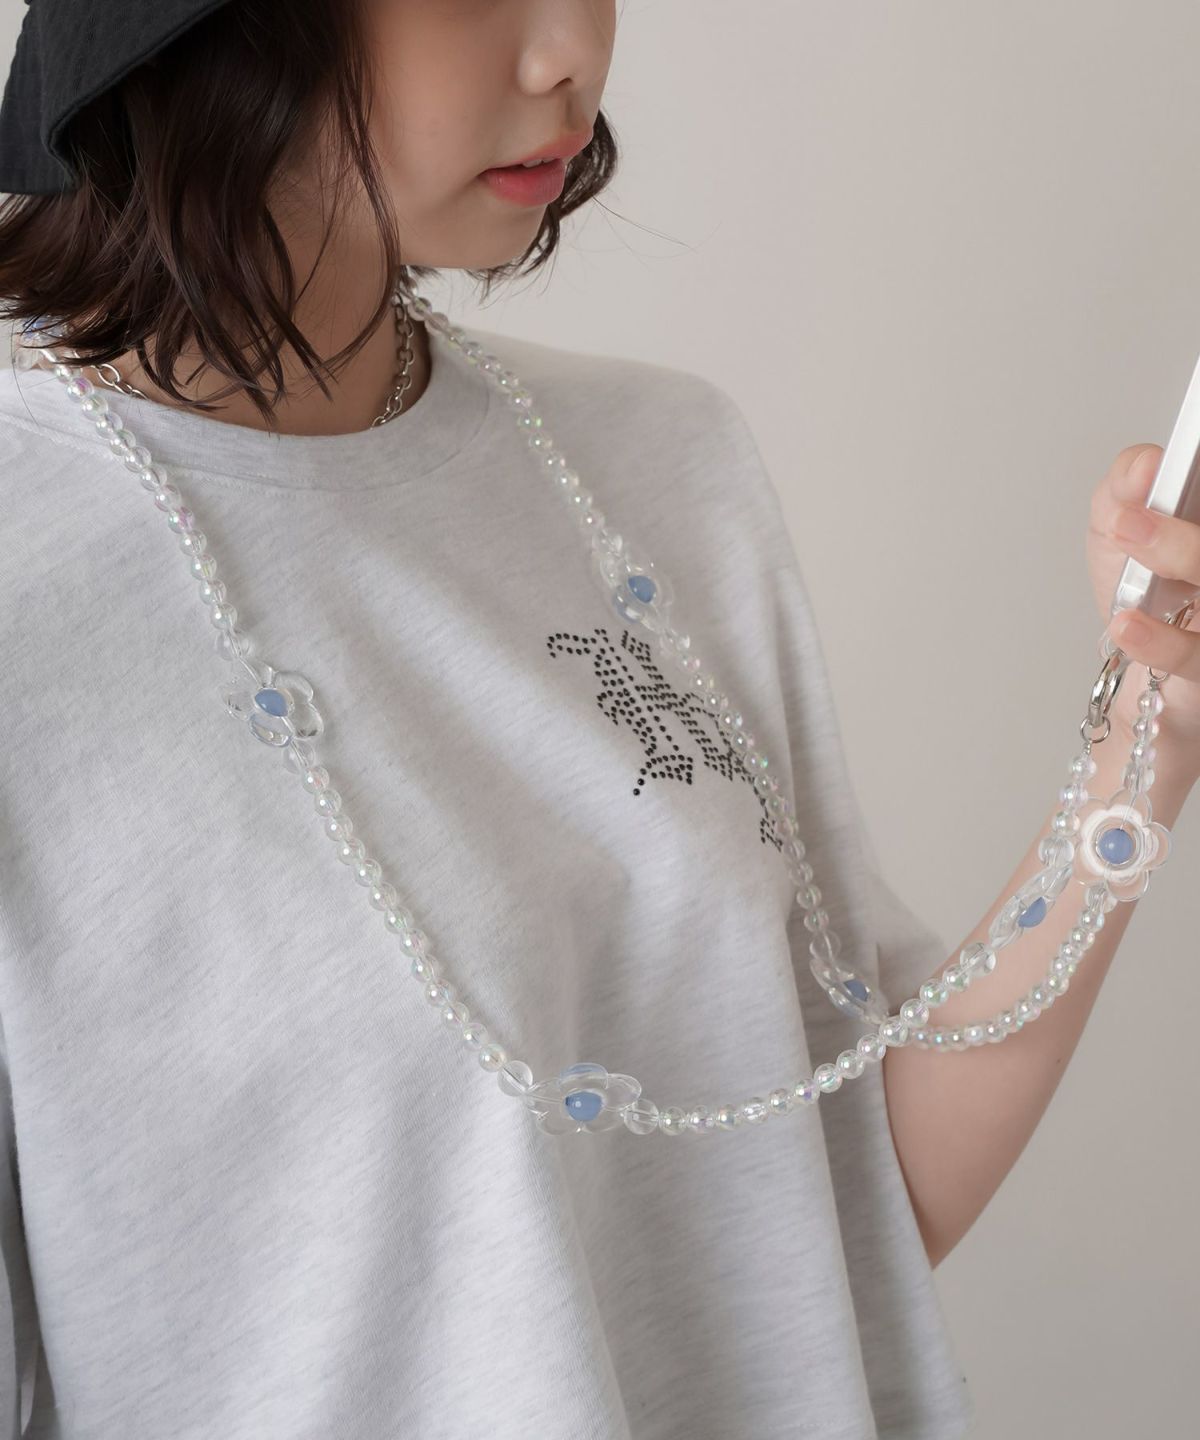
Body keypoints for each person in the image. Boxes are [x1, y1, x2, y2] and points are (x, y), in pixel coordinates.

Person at [1, 3, 1197, 1437]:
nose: (570, 50)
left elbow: (831, 1216)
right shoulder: (30, 581)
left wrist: (1152, 720)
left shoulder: (657, 461)